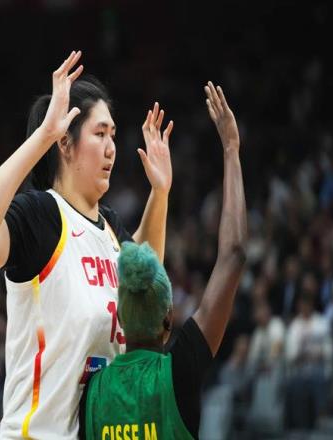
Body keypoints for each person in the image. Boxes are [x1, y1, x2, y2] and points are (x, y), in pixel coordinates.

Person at [0, 50, 174, 439]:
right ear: (66, 144)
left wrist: (160, 192)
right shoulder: (42, 215)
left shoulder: (110, 229)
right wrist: (43, 136)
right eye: (100, 133)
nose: (111, 147)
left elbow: (147, 280)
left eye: (113, 135)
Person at [80, 82, 247, 439]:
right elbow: (233, 255)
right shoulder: (178, 373)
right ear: (168, 318)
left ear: (121, 317)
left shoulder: (93, 390)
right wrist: (231, 149)